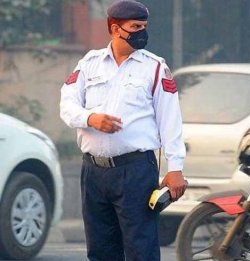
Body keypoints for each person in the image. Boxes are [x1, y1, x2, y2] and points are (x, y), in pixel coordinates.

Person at [59, 1, 187, 260]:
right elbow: (66, 104)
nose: (142, 32)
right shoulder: (89, 64)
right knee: (100, 251)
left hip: (135, 172)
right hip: (94, 172)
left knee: (141, 250)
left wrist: (175, 168)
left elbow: (170, 119)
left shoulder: (155, 68)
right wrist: (90, 118)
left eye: (144, 26)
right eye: (135, 27)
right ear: (115, 29)